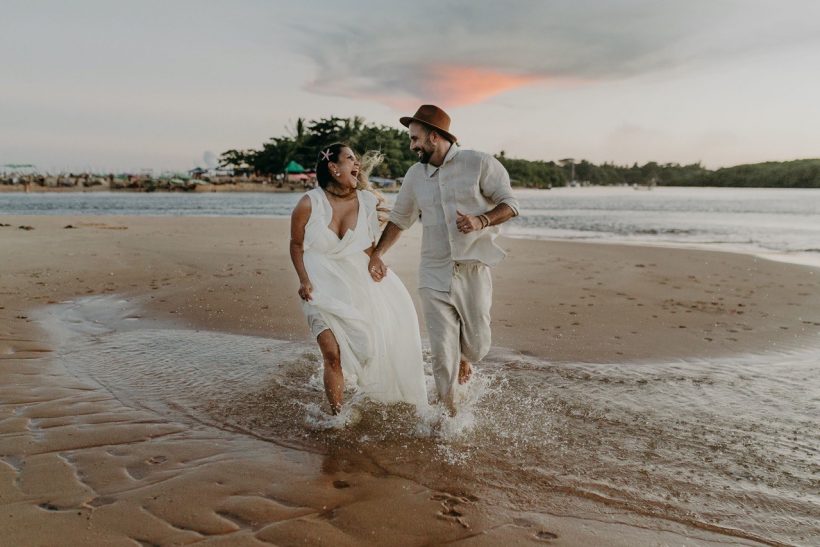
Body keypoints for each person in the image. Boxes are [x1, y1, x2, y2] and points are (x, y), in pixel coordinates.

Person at [368, 105, 519, 414]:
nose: (412, 146)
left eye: (415, 139)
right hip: (433, 272)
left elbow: (511, 204)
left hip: (472, 270)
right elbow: (400, 219)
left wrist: (481, 221)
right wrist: (377, 253)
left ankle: (467, 359)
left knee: (477, 345)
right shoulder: (414, 175)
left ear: (434, 137)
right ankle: (447, 417)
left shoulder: (479, 163)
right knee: (441, 353)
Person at [289, 143, 428, 414]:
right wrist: (303, 279)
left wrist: (377, 259)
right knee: (332, 354)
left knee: (368, 346)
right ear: (333, 167)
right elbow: (296, 245)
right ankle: (337, 417)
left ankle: (359, 388)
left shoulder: (366, 201)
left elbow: (366, 245)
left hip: (353, 281)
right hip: (319, 286)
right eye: (351, 158)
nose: (358, 164)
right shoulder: (309, 203)